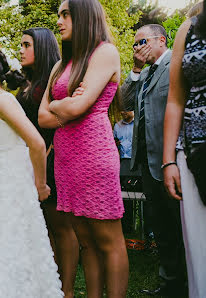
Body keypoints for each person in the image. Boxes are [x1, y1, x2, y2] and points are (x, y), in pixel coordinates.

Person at [38, 0, 128, 296]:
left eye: (66, 14)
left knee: (108, 239)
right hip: (66, 158)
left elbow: (79, 105)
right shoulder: (61, 65)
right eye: (59, 15)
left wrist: (64, 106)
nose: (59, 21)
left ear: (85, 16)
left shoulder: (105, 52)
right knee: (85, 239)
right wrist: (64, 106)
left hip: (94, 154)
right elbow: (43, 117)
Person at [0, 45, 64, 297]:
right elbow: (0, 152)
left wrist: (40, 185)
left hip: (12, 192)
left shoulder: (4, 102)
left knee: (13, 244)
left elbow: (37, 143)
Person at [120, 23, 187, 296]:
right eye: (134, 44)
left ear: (161, 40)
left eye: (141, 42)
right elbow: (123, 102)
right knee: (162, 229)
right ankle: (170, 284)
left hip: (172, 160)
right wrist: (135, 70)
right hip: (146, 164)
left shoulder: (176, 63)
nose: (137, 48)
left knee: (182, 227)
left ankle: (191, 283)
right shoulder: (144, 73)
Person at [17, 27, 79, 296]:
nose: (20, 49)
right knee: (42, 227)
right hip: (27, 162)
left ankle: (66, 290)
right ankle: (47, 283)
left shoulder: (52, 83)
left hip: (51, 160)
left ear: (40, 47)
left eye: (26, 44)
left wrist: (47, 154)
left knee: (61, 228)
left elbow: (59, 123)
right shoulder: (25, 83)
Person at [163, 3, 206, 297]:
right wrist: (169, 161)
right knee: (200, 251)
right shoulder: (189, 27)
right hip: (193, 152)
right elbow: (176, 99)